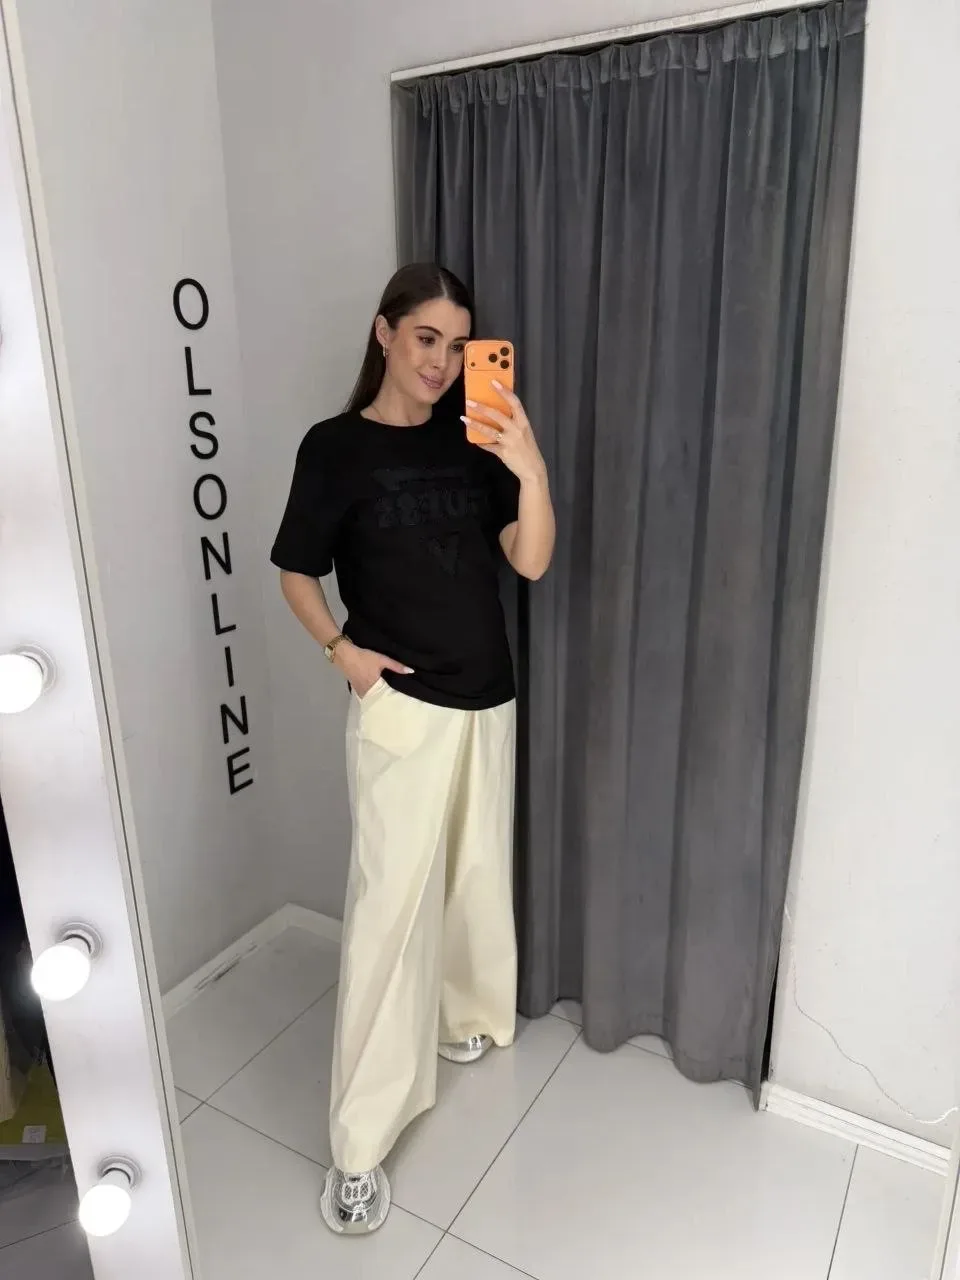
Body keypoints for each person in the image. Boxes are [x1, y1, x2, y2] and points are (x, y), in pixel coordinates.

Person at [270, 263, 555, 1235]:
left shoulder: (477, 436)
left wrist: (529, 466)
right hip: (401, 707)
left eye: (458, 344)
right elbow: (295, 570)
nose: (441, 360)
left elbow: (530, 559)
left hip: (489, 697)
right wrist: (341, 653)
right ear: (385, 333)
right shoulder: (334, 447)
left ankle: (464, 1017)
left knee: (472, 877)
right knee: (388, 915)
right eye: (426, 337)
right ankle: (358, 1146)